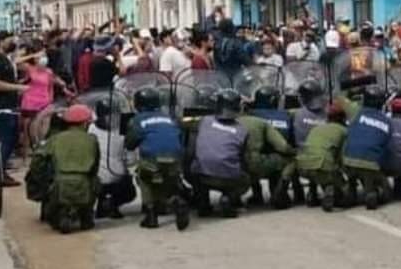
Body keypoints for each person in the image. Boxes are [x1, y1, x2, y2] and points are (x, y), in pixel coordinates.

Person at [125, 88, 190, 230]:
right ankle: (176, 201)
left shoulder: (138, 120)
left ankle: (151, 215)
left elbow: (129, 145)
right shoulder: (170, 118)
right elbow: (180, 139)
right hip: (175, 160)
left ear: (138, 104)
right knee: (169, 178)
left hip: (152, 162)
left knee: (143, 177)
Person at [192, 89, 251, 218]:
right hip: (228, 178)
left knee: (195, 166)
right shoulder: (242, 130)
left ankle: (203, 204)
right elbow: (242, 157)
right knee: (246, 178)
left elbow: (193, 146)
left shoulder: (204, 121)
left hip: (202, 176)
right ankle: (228, 198)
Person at [42, 105, 100, 234]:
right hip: (84, 184)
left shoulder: (55, 139)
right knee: (97, 182)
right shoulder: (92, 140)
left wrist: (42, 181)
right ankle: (86, 217)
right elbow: (95, 167)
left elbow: (39, 161)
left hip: (59, 184)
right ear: (85, 123)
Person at [239, 87, 297, 209]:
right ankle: (279, 192)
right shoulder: (285, 115)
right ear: (273, 100)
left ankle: (257, 194)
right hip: (274, 158)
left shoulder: (250, 116)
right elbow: (288, 143)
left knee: (252, 152)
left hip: (249, 162)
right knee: (288, 159)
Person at [338, 85, 392, 209]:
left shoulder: (355, 111)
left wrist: (354, 90)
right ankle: (371, 192)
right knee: (386, 192)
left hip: (347, 161)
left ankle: (350, 192)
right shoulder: (387, 121)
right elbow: (386, 147)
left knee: (353, 167)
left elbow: (340, 98)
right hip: (369, 164)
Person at [287, 104, 348, 212]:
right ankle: (330, 190)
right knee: (339, 187)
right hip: (322, 166)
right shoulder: (343, 131)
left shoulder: (317, 129)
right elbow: (342, 156)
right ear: (342, 118)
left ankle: (312, 194)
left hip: (302, 167)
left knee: (315, 169)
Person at [0, 31, 26, 187]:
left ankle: (1, 170)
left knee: (13, 138)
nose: (13, 43)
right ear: (1, 41)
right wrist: (17, 86)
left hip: (9, 104)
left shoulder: (5, 59)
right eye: (10, 41)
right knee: (7, 139)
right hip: (0, 106)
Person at [19, 48, 72, 162]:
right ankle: (29, 150)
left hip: (45, 101)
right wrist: (32, 54)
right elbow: (16, 61)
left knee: (44, 122)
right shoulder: (29, 69)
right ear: (35, 59)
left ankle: (40, 144)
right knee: (28, 127)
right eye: (40, 57)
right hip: (30, 102)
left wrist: (65, 88)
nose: (43, 59)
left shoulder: (49, 72)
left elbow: (57, 82)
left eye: (44, 56)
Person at [91, 98, 137, 220]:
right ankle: (107, 204)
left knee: (130, 191)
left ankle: (109, 204)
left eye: (115, 115)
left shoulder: (90, 129)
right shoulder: (90, 131)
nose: (113, 118)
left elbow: (131, 159)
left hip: (115, 177)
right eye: (109, 115)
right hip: (98, 179)